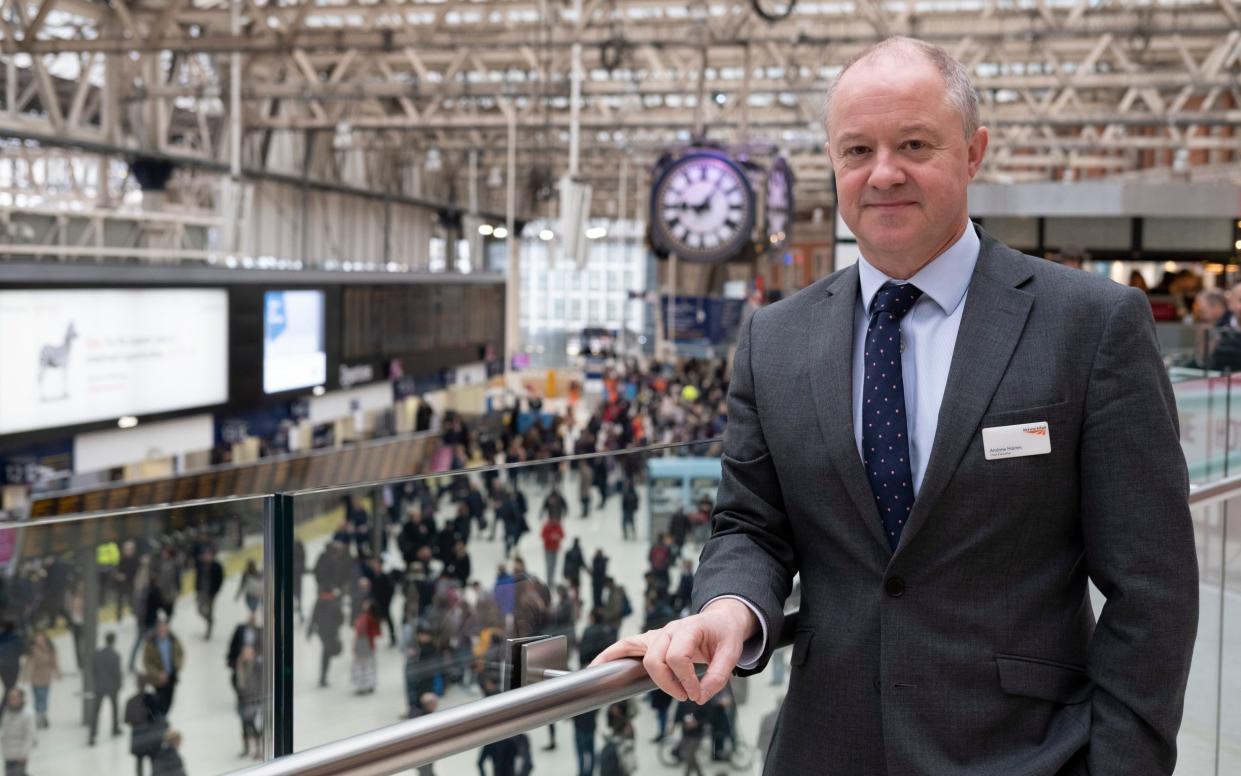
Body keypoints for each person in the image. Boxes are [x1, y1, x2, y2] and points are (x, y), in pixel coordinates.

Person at [595, 37, 1198, 775]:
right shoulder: (774, 340)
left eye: (913, 144)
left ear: (973, 153)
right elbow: (750, 522)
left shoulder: (1088, 325)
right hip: (826, 750)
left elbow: (1153, 588)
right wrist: (730, 608)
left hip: (1027, 755)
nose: (883, 173)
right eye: (856, 151)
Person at [141, 618, 184, 715]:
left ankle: (163, 719)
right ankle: (159, 721)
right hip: (158, 679)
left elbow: (181, 654)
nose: (162, 631)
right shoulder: (151, 644)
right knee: (160, 701)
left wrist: (177, 666)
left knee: (169, 701)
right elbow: (147, 662)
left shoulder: (173, 641)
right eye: (160, 629)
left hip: (172, 676)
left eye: (164, 628)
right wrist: (157, 673)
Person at [124, 676, 165, 776]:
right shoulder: (153, 698)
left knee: (139, 763)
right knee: (154, 761)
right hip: (152, 735)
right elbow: (159, 717)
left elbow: (127, 720)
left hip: (138, 737)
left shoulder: (131, 701)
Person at [89, 632, 123, 745]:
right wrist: (119, 685)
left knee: (96, 711)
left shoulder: (97, 654)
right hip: (112, 687)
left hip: (99, 686)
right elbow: (117, 673)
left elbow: (93, 670)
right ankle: (115, 728)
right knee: (115, 708)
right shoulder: (115, 656)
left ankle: (92, 734)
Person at [308, 589, 344, 687]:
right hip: (332, 632)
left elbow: (313, 617)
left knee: (326, 652)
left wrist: (310, 631)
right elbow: (341, 618)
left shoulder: (319, 602)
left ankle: (323, 677)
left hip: (322, 632)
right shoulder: (334, 602)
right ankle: (323, 677)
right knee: (327, 653)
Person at [233, 643, 263, 759]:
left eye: (249, 653)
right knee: (244, 724)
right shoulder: (239, 665)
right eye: (245, 653)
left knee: (252, 724)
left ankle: (258, 749)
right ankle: (245, 748)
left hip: (252, 700)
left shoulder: (256, 665)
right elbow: (235, 680)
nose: (247, 655)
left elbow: (260, 682)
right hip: (242, 699)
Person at [22, 632, 58, 729]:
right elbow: (28, 664)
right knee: (38, 698)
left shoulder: (49, 649)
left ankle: (42, 715)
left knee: (44, 697)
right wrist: (26, 676)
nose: (39, 641)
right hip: (36, 677)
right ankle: (40, 715)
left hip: (46, 676)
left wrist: (56, 672)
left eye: (41, 639)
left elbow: (54, 661)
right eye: (38, 639)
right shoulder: (32, 650)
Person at [0, 688, 34, 776]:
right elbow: (4, 731)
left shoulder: (28, 714)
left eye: (15, 697)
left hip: (20, 755)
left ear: (21, 698)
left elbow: (29, 735)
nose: (12, 700)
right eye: (11, 697)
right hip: (8, 754)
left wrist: (24, 754)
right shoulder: (6, 712)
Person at [351, 599, 381, 694]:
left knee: (362, 666)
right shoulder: (371, 618)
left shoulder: (366, 618)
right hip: (367, 644)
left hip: (364, 644)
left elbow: (359, 631)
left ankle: (364, 685)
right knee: (367, 665)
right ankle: (367, 684)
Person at [195, 548, 224, 640]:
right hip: (201, 592)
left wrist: (216, 591)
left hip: (211, 593)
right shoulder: (200, 565)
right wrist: (196, 588)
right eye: (205, 554)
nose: (206, 556)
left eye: (208, 554)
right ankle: (210, 620)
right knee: (199, 610)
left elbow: (220, 579)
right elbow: (197, 577)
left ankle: (208, 632)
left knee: (210, 611)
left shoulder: (217, 566)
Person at [540, 515, 565, 587]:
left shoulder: (558, 526)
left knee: (554, 565)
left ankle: (552, 580)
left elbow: (562, 535)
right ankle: (549, 581)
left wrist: (557, 536)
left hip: (555, 549)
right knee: (549, 565)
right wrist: (551, 537)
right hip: (548, 549)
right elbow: (542, 535)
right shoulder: (547, 526)